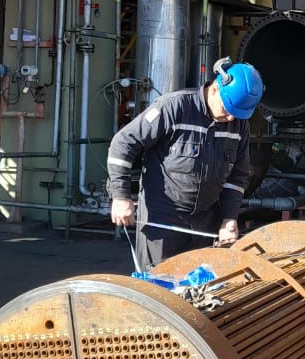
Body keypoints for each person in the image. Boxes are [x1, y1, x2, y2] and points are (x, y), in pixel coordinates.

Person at [107, 58, 264, 268]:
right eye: (227, 109)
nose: (229, 118)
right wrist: (120, 195)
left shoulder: (238, 125)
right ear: (216, 89)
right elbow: (123, 143)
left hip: (205, 222)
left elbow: (238, 176)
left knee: (200, 289)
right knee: (159, 286)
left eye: (236, 114)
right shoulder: (174, 107)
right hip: (163, 221)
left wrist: (229, 218)